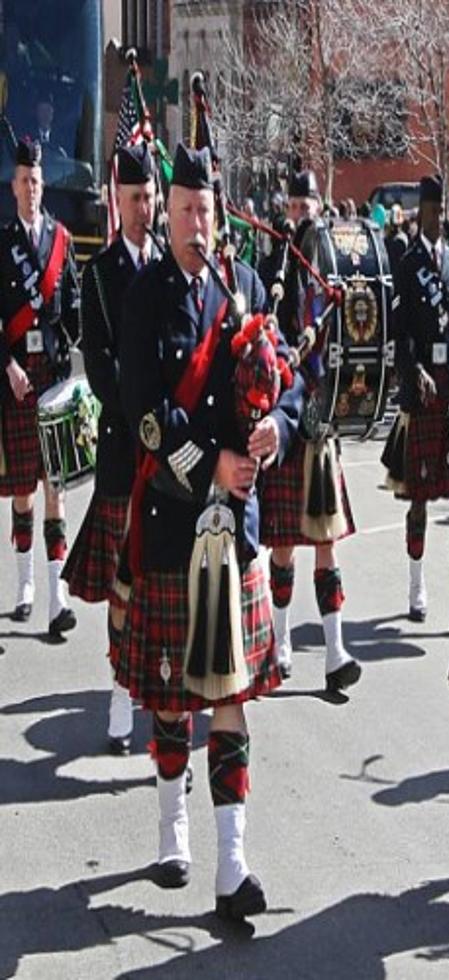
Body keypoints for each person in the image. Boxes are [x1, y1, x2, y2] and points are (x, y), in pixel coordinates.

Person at [116, 144, 304, 919]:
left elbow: (287, 380)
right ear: (168, 215)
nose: (198, 224)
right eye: (187, 210)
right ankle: (173, 825)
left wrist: (274, 438)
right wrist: (216, 463)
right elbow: (147, 416)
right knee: (170, 697)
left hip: (236, 530)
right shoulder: (146, 298)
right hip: (172, 519)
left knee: (229, 692)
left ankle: (232, 860)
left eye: (208, 211)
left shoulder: (246, 287)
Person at [62, 144, 159, 754]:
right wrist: (142, 410)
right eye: (135, 200)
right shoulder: (98, 276)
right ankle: (120, 696)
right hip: (127, 447)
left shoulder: (169, 265)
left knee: (160, 573)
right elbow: (98, 367)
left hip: (170, 451)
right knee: (125, 577)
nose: (144, 209)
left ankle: (150, 677)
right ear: (115, 202)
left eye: (150, 199)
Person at [259, 178, 362, 694]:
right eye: (294, 204)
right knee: (282, 544)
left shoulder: (333, 265)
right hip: (284, 405)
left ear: (320, 208)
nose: (300, 213)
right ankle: (279, 644)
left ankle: (334, 650)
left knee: (324, 540)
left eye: (307, 205)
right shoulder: (271, 260)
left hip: (319, 414)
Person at [382, 174, 449, 633]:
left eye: (443, 211)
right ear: (423, 212)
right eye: (432, 211)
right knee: (417, 497)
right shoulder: (407, 260)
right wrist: (409, 368)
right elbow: (398, 330)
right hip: (423, 389)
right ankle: (416, 588)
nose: (438, 218)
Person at [0, 138, 80, 636]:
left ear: (43, 185)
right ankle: (25, 584)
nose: (31, 189)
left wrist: (71, 348)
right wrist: (7, 365)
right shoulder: (1, 240)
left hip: (50, 377)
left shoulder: (61, 239)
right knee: (24, 491)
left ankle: (57, 594)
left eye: (37, 181)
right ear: (13, 186)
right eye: (24, 181)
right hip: (14, 379)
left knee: (57, 487)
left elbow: (71, 303)